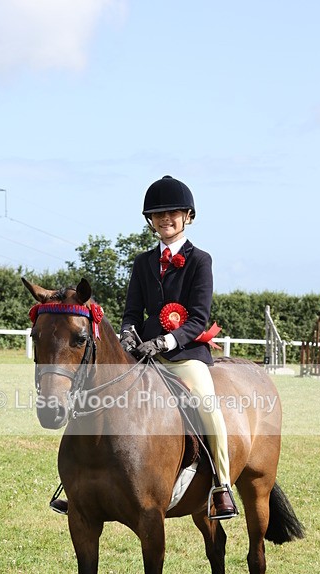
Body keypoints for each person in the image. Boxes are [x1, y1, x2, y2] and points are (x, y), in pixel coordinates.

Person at [119, 175, 238, 519]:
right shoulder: (142, 262)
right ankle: (83, 482)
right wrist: (128, 333)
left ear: (187, 216)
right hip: (142, 354)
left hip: (184, 355)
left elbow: (198, 318)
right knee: (103, 395)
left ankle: (221, 486)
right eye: (158, 215)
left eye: (173, 213)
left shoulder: (200, 260)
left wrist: (166, 341)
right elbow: (131, 312)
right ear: (150, 221)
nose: (165, 219)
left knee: (207, 405)